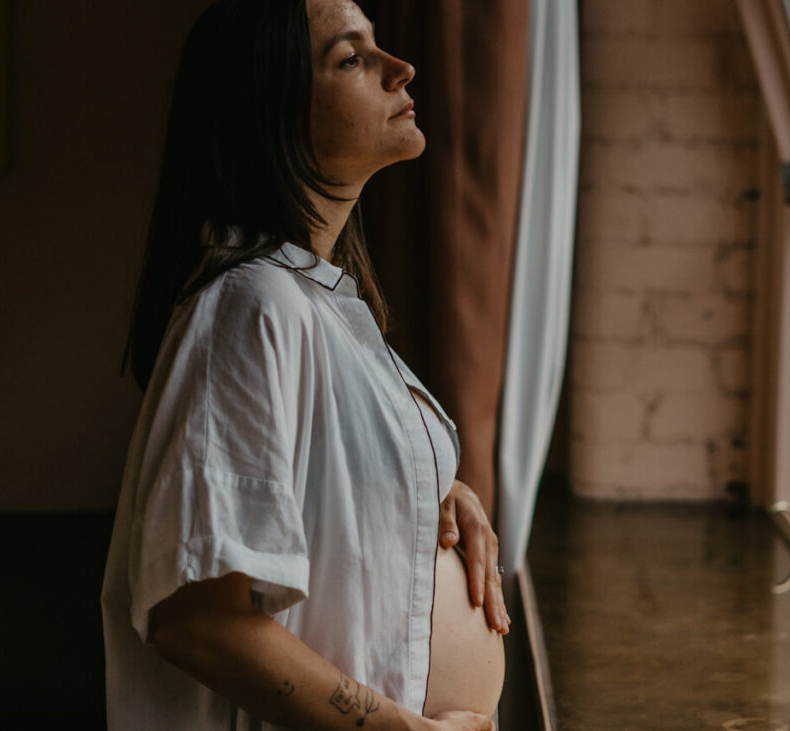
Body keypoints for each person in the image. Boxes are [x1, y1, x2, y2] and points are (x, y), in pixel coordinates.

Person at [100, 1, 509, 728]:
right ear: (274, 113)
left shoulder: (315, 301)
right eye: (352, 58)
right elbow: (197, 619)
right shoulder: (251, 306)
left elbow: (324, 493)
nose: (400, 69)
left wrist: (436, 489)